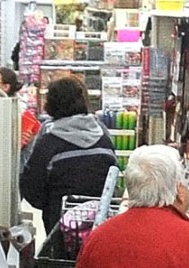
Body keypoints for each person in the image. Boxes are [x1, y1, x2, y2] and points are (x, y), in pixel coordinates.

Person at [19, 74, 117, 236]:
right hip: (99, 227)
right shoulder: (104, 139)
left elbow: (32, 190)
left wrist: (51, 204)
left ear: (51, 104)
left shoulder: (48, 143)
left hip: (58, 228)